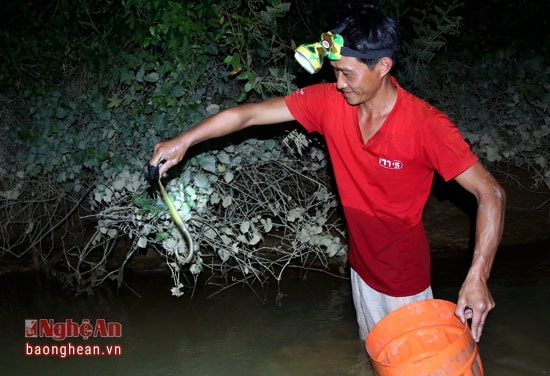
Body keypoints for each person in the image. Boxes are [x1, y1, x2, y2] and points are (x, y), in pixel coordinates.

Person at [149, 5, 505, 343]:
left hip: (403, 282)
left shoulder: (426, 127)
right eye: (334, 70)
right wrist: (185, 140)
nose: (338, 83)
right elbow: (250, 115)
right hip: (361, 269)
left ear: (383, 66)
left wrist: (477, 276)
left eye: (347, 73)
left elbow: (491, 193)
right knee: (374, 355)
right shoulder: (329, 102)